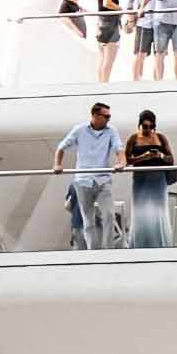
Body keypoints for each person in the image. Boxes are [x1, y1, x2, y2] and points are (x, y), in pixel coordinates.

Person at [54, 101, 123, 249]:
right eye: (106, 116)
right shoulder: (79, 130)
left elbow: (119, 148)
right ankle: (93, 251)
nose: (109, 119)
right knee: (88, 219)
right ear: (95, 116)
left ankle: (108, 249)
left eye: (109, 116)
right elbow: (61, 147)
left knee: (109, 215)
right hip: (83, 180)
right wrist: (57, 165)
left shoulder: (111, 131)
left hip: (103, 179)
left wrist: (120, 162)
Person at [123, 110, 173, 249]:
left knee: (159, 212)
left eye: (151, 127)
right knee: (140, 211)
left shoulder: (161, 137)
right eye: (145, 126)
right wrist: (143, 157)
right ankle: (139, 244)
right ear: (140, 124)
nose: (148, 129)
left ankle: (161, 245)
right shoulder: (133, 138)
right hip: (140, 178)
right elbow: (126, 160)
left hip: (158, 179)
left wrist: (160, 156)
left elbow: (170, 159)